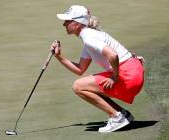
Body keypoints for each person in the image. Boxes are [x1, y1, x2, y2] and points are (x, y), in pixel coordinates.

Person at [50, 5, 144, 133]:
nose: (64, 24)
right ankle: (122, 114)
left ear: (77, 24)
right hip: (133, 71)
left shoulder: (88, 37)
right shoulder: (89, 38)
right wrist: (59, 57)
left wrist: (114, 77)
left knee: (78, 86)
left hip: (128, 75)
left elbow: (112, 54)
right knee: (85, 84)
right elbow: (80, 70)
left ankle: (116, 116)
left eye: (67, 21)